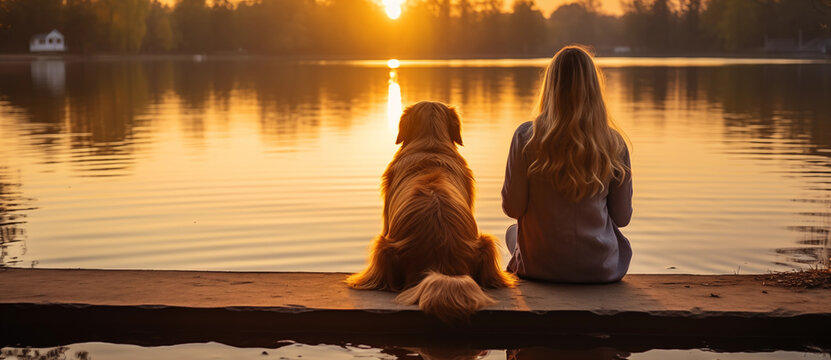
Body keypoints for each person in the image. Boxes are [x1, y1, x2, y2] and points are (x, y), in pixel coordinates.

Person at [501, 45, 633, 283]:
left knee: (512, 233)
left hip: (539, 267)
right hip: (599, 270)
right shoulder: (614, 144)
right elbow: (622, 218)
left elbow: (513, 209)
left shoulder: (525, 137)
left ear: (550, 87)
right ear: (593, 89)